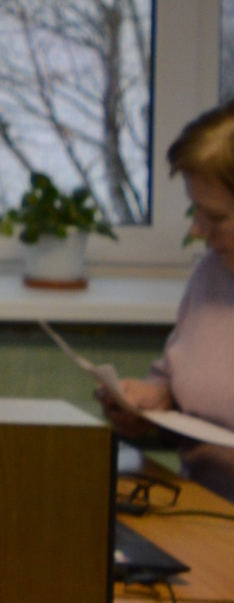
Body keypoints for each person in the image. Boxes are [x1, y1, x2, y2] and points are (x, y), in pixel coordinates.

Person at [100, 101, 234, 500]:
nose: (197, 230)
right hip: (200, 508)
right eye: (195, 210)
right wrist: (154, 400)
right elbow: (180, 376)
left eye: (215, 217)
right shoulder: (211, 274)